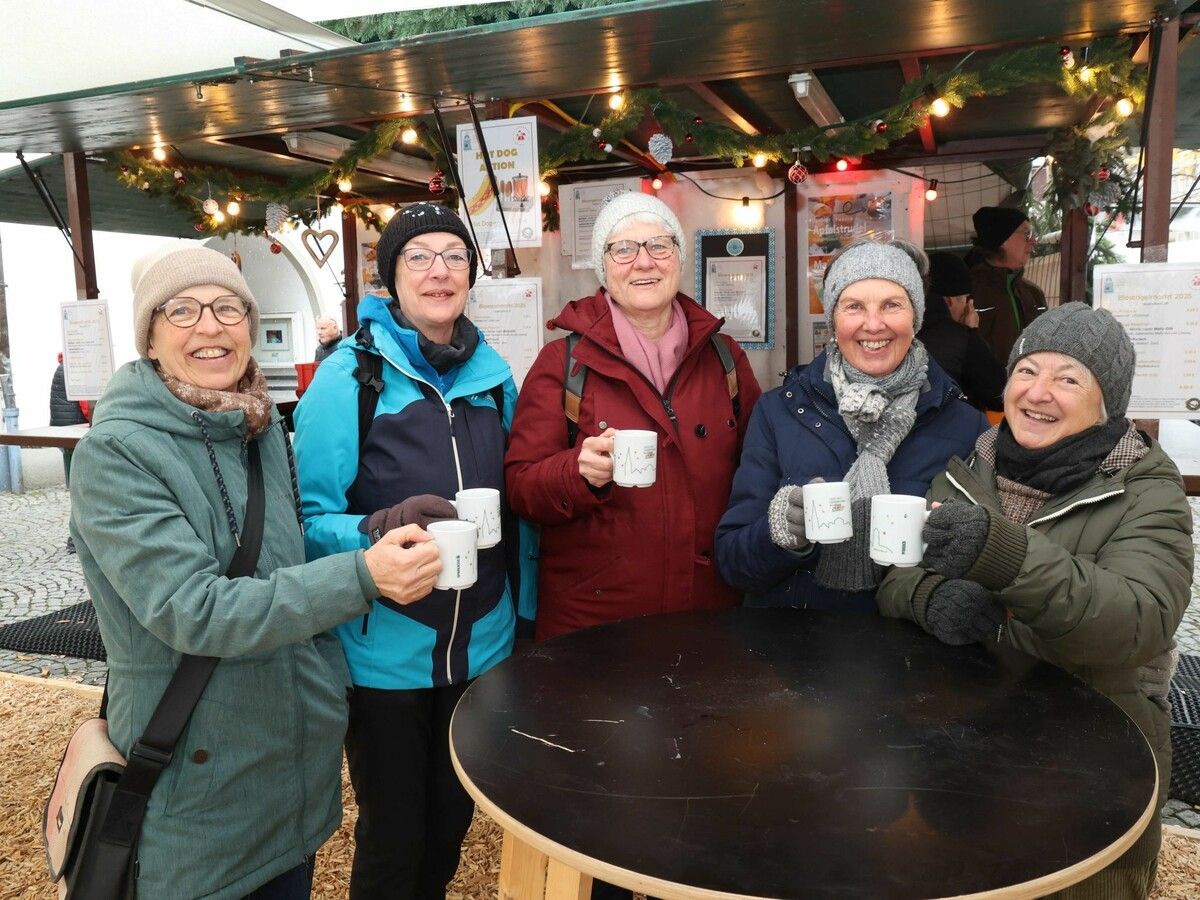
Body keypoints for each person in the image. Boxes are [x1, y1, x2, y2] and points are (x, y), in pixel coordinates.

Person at [68, 246, 442, 899]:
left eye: (227, 307)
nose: (208, 327)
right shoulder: (118, 453)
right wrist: (362, 577)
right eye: (180, 310)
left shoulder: (259, 427)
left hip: (286, 777)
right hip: (196, 788)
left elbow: (284, 558)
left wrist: (377, 525)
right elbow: (195, 611)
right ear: (150, 337)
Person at [877, 302, 1194, 898]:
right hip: (971, 743)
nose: (1037, 392)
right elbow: (900, 576)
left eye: (1068, 378)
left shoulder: (1148, 492)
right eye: (1026, 370)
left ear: (1107, 404)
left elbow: (1136, 620)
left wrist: (1008, 555)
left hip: (1094, 756)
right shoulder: (974, 466)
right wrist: (932, 599)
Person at [293, 201, 531, 899]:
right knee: (394, 844)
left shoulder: (494, 376)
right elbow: (307, 521)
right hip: (384, 656)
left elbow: (519, 509)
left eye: (454, 257)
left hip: (481, 650)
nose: (438, 271)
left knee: (450, 829)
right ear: (391, 278)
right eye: (418, 257)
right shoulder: (351, 378)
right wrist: (381, 523)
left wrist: (528, 617)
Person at [505, 191, 762, 641]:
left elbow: (760, 472)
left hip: (710, 613)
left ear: (678, 260)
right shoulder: (563, 362)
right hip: (594, 625)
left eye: (659, 245)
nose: (643, 262)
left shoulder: (726, 359)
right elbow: (522, 487)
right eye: (622, 249)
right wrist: (576, 473)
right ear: (604, 269)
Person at [716, 238, 987, 609]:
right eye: (854, 306)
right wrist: (780, 534)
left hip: (912, 654)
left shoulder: (966, 426)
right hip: (792, 650)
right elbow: (733, 564)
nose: (873, 324)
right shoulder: (778, 413)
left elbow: (984, 568)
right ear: (833, 319)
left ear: (916, 317)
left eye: (892, 305)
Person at [917, 252, 1005, 411]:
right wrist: (972, 333)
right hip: (956, 431)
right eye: (965, 298)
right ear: (949, 301)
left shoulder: (899, 330)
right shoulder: (963, 340)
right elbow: (999, 395)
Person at [967, 205, 1044, 362]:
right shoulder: (969, 293)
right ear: (1002, 239)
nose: (1033, 241)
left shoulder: (1034, 294)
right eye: (1026, 234)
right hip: (987, 385)